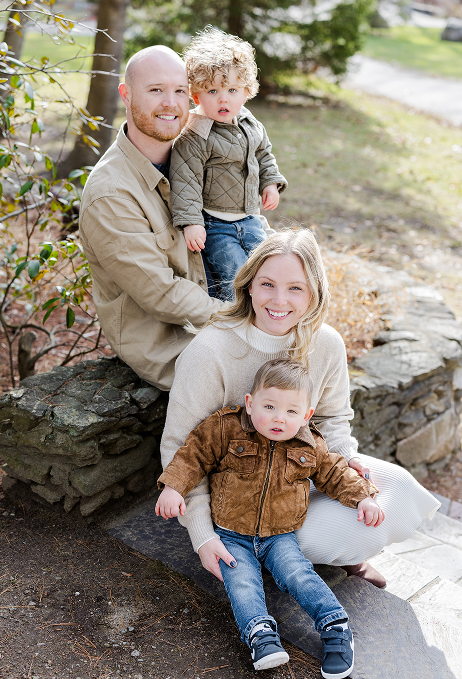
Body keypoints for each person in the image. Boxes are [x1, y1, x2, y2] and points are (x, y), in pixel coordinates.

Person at [160, 228, 440, 589]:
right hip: (236, 498)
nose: (279, 300)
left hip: (298, 474)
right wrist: (200, 533)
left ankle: (334, 551)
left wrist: (346, 459)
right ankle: (257, 552)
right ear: (248, 285)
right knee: (323, 531)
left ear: (313, 293)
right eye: (267, 284)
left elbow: (333, 418)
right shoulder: (210, 351)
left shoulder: (326, 343)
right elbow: (180, 447)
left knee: (397, 489)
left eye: (295, 288)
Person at [156, 358, 382, 676]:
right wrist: (173, 488)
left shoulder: (309, 443)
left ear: (306, 415)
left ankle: (335, 625)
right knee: (241, 582)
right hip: (230, 532)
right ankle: (261, 635)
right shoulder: (226, 428)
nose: (279, 418)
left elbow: (335, 473)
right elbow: (193, 454)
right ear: (250, 403)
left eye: (291, 412)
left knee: (297, 574)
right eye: (270, 406)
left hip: (279, 534)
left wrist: (364, 497)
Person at [79, 46, 223, 390]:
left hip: (221, 325)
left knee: (324, 345)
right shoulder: (111, 194)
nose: (171, 103)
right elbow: (162, 294)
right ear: (126, 95)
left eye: (179, 91)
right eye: (156, 90)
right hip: (177, 349)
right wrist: (247, 319)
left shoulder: (195, 158)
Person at [169, 28, 287, 298]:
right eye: (213, 90)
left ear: (246, 92)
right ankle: (234, 324)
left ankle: (268, 319)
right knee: (235, 276)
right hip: (216, 224)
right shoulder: (195, 136)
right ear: (196, 96)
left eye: (232, 90)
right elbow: (184, 180)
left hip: (250, 218)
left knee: (267, 269)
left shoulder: (248, 122)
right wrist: (191, 223)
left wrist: (270, 182)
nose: (224, 98)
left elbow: (263, 153)